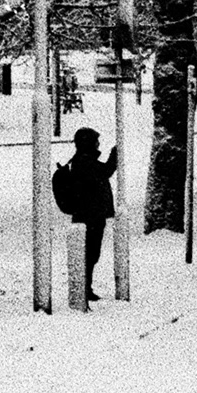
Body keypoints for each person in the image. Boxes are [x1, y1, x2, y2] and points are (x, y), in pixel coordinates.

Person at [52, 126, 117, 299]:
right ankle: (84, 289)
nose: (98, 144)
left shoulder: (81, 160)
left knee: (90, 254)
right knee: (89, 254)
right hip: (90, 215)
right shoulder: (84, 162)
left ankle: (86, 288)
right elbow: (105, 172)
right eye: (96, 141)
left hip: (89, 214)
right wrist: (115, 156)